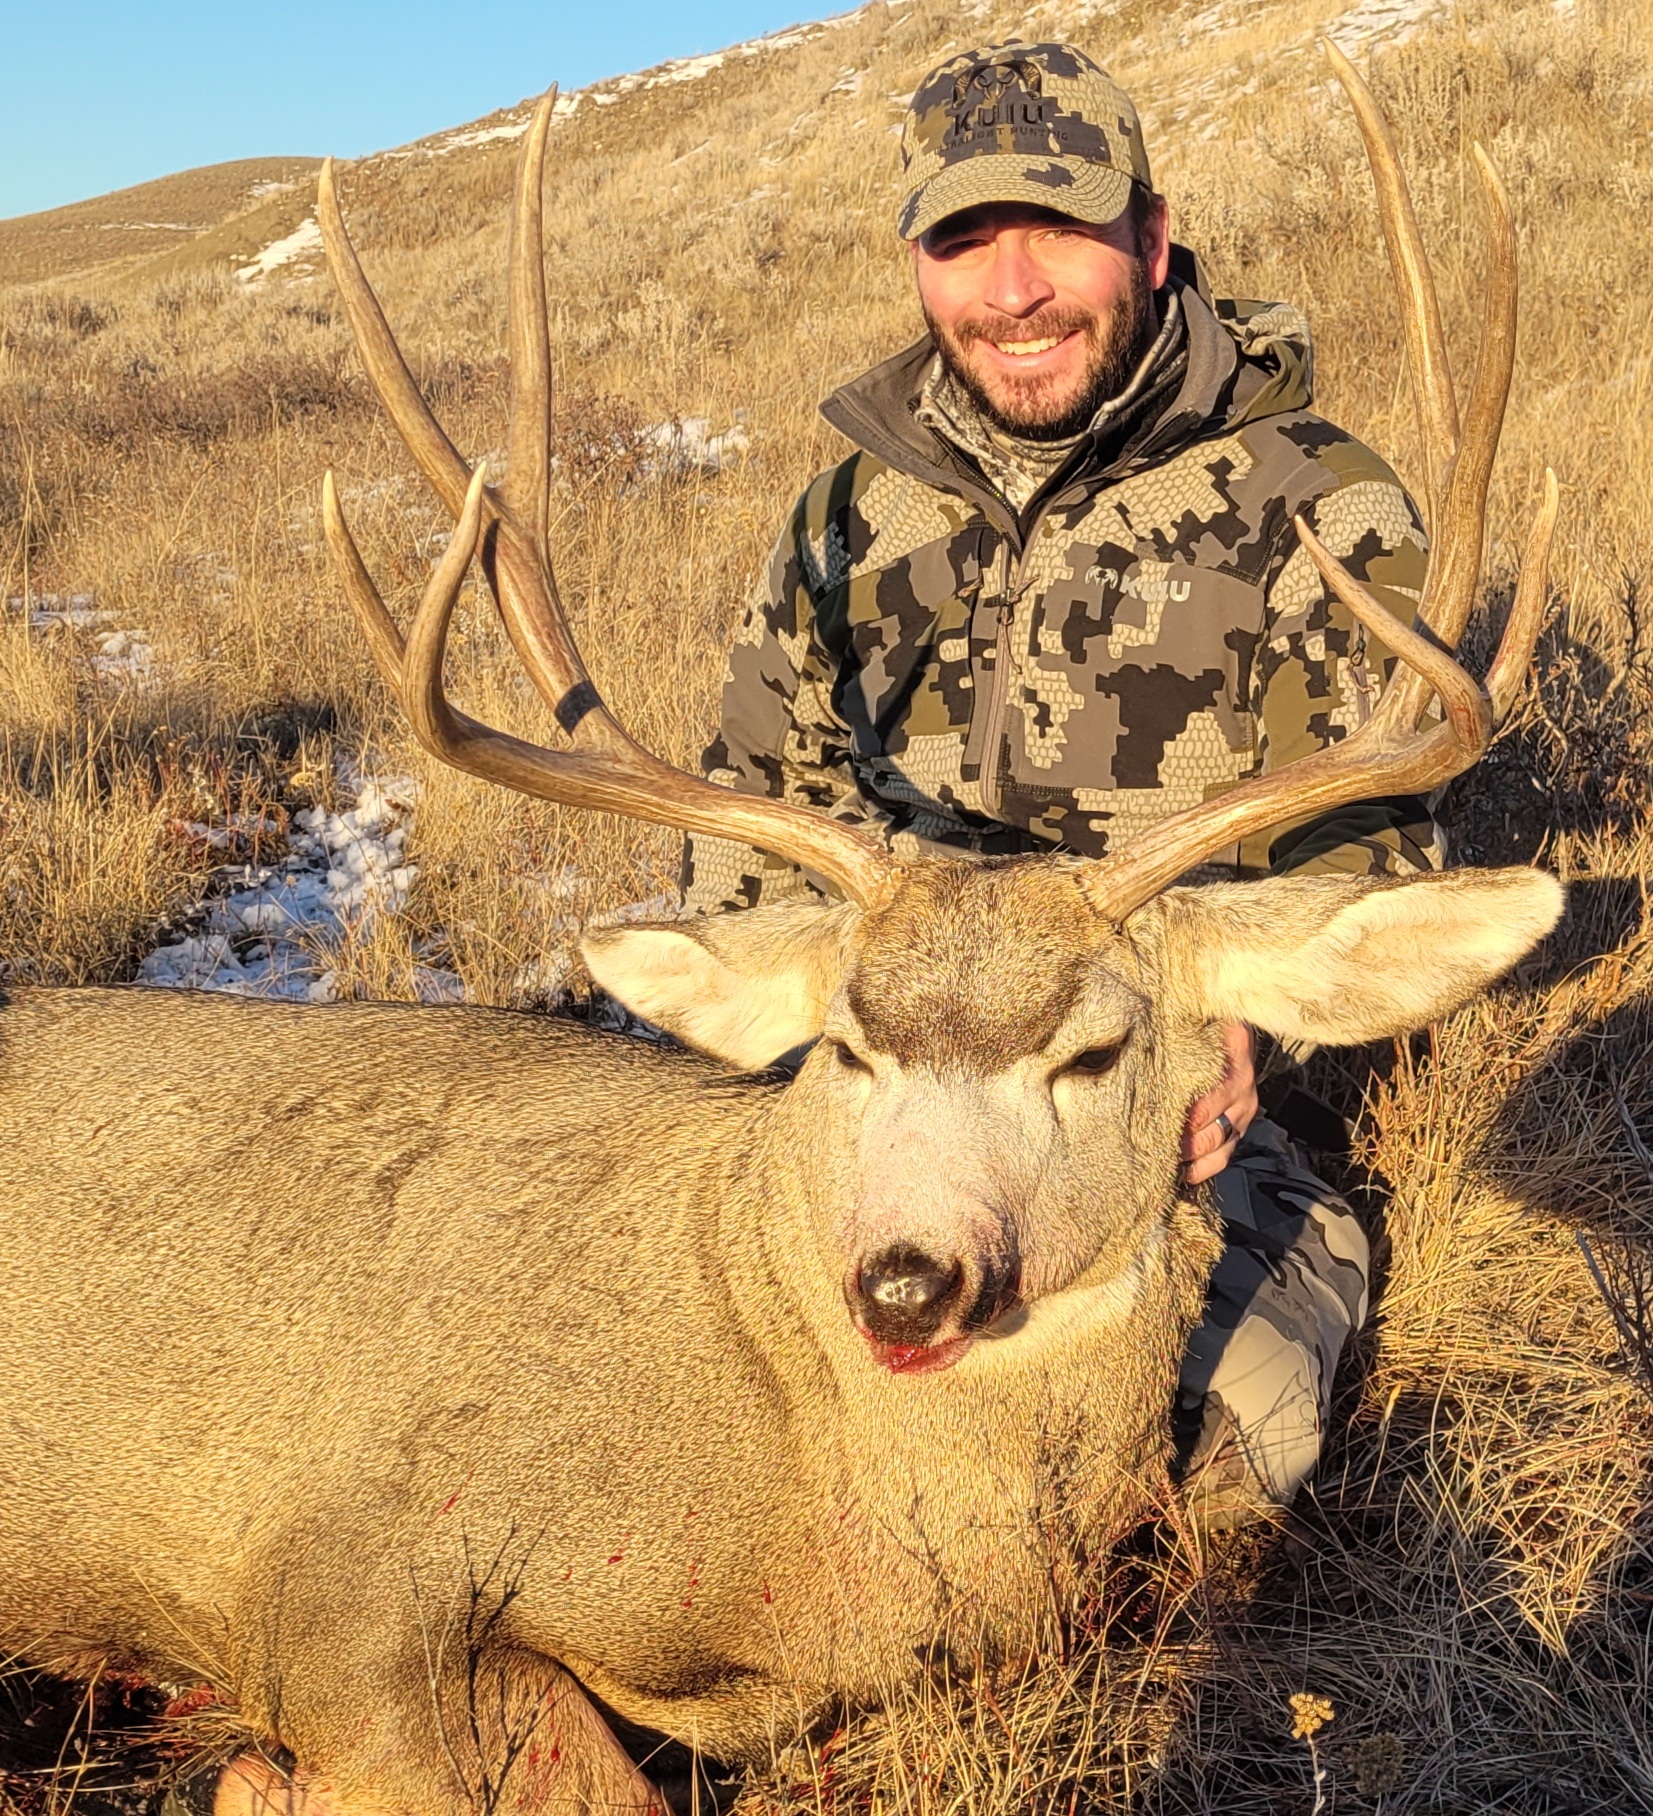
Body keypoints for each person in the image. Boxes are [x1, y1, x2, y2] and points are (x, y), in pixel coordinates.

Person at [681, 39, 1439, 1530]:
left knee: (1205, 1466)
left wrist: (1234, 1038)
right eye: (965, 241)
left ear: (1148, 240)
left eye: (1059, 231)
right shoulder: (844, 518)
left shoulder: (1316, 500)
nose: (1014, 290)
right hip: (875, 1101)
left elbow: (1370, 858)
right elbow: (752, 831)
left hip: (1153, 1113)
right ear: (918, 264)